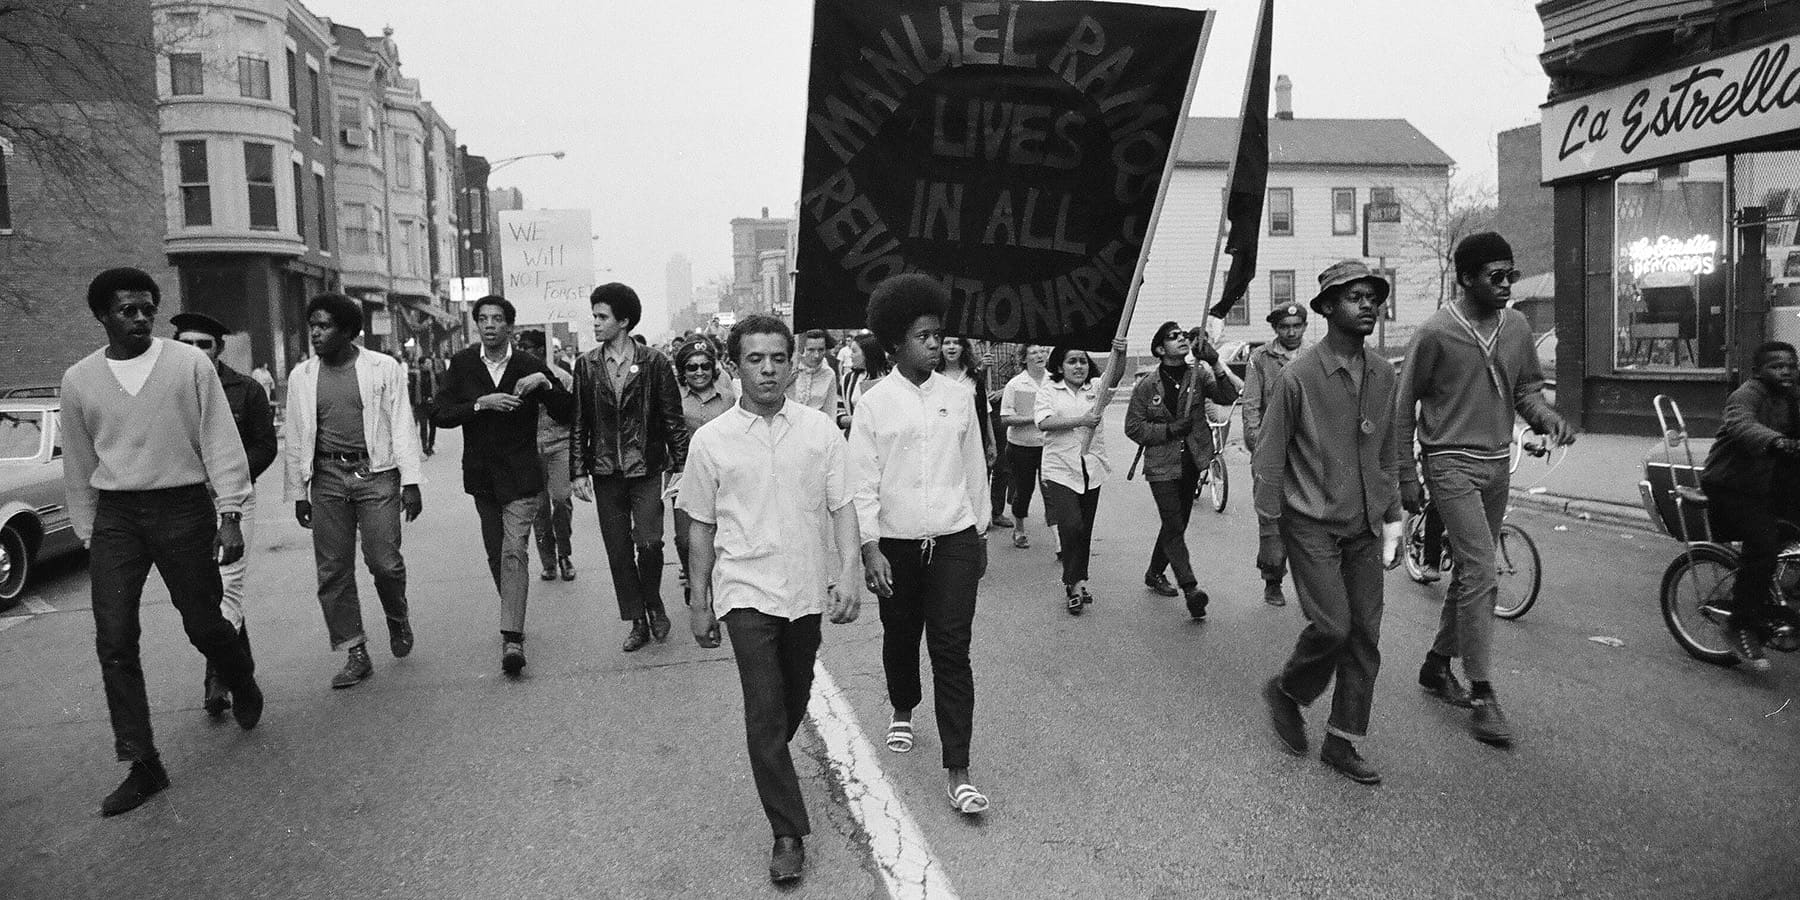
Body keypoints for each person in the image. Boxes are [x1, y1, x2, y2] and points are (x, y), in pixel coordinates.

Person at [60, 268, 264, 816]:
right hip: (117, 516)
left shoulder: (190, 365)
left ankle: (239, 676)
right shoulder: (78, 380)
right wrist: (88, 535)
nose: (142, 318)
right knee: (115, 637)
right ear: (101, 315)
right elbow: (79, 465)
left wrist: (231, 514)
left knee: (203, 622)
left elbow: (220, 442)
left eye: (148, 307)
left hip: (182, 505)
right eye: (127, 309)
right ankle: (142, 761)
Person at [680, 315, 861, 886]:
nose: (767, 369)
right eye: (755, 359)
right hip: (745, 592)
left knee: (792, 696)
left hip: (805, 589)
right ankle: (788, 831)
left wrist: (849, 573)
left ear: (791, 362)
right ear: (735, 367)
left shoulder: (820, 431)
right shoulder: (711, 442)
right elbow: (700, 526)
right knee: (764, 707)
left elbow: (843, 508)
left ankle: (770, 759)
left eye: (777, 358)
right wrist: (699, 599)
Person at [1397, 232, 1575, 747]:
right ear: (1467, 278)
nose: (1506, 285)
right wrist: (1406, 477)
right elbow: (1403, 406)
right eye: (1495, 276)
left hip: (1498, 462)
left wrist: (1546, 419)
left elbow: (1525, 392)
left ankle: (1435, 665)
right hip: (1449, 460)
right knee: (1480, 569)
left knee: (1470, 575)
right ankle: (1483, 692)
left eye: (1511, 275)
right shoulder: (1435, 333)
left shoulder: (1517, 326)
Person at [1256, 259, 1405, 786]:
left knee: (1365, 634)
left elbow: (1386, 451)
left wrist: (1393, 519)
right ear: (1325, 309)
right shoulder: (1298, 376)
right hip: (1311, 524)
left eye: (1373, 296)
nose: (1368, 304)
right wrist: (1269, 533)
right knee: (1334, 626)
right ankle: (1289, 690)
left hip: (1364, 525)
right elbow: (1269, 457)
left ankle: (1343, 741)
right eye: (1353, 296)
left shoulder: (1385, 374)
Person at [850, 273, 992, 815]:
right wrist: (870, 547)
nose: (936, 344)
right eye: (924, 336)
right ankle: (903, 708)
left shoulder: (959, 397)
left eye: (938, 335)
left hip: (954, 540)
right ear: (894, 342)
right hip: (897, 547)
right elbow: (862, 483)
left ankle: (959, 769)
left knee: (952, 649)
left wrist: (978, 533)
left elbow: (976, 470)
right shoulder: (873, 405)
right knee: (901, 634)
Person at [283, 292, 426, 689]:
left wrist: (410, 482)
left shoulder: (383, 367)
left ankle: (397, 617)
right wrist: (299, 490)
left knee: (385, 562)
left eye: (325, 326)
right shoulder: (302, 376)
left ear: (347, 331)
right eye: (313, 325)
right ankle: (355, 651)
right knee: (333, 570)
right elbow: (296, 435)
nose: (316, 333)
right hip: (327, 476)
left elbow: (401, 423)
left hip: (376, 472)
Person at [431, 297, 574, 675]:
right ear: (476, 325)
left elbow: (566, 411)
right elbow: (440, 413)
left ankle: (513, 637)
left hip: (523, 475)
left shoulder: (528, 365)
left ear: (510, 326)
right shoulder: (463, 364)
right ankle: (513, 605)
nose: (490, 325)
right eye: (483, 319)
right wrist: (481, 404)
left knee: (514, 551)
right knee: (496, 553)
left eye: (497, 319)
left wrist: (544, 383)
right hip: (482, 477)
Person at [571, 283, 689, 653]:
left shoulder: (654, 363)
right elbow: (579, 422)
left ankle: (653, 599)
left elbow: (672, 419)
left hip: (646, 468)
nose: (595, 323)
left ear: (623, 321)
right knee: (618, 550)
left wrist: (682, 466)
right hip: (606, 471)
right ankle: (637, 619)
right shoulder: (586, 365)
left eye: (602, 316)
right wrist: (577, 470)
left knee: (651, 544)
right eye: (594, 316)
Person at [169, 312, 277, 717]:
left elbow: (265, 445)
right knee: (203, 591)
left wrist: (230, 477)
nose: (195, 352)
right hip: (182, 502)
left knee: (229, 583)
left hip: (233, 499)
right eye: (187, 344)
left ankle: (220, 675)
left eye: (204, 345)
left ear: (219, 349)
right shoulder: (166, 388)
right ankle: (238, 667)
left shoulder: (245, 389)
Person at [1125, 321, 1239, 619]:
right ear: (1160, 349)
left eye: (1183, 336)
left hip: (1191, 463)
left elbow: (1227, 396)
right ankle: (1191, 589)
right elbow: (1133, 427)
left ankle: (1153, 573)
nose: (1182, 340)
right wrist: (1169, 429)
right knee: (1174, 525)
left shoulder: (1198, 374)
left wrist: (1214, 360)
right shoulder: (1147, 385)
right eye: (1173, 337)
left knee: (1176, 524)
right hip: (1161, 465)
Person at [1700, 341, 1800, 670]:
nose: (1785, 371)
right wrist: (1774, 440)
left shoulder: (1793, 396)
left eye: (1791, 365)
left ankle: (1786, 597)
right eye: (1776, 366)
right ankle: (1741, 624)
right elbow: (1741, 423)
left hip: (1773, 481)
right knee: (1764, 548)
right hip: (1734, 485)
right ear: (1759, 371)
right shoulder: (1747, 394)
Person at [1035, 339, 1130, 614]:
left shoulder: (1095, 389)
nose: (1078, 366)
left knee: (1084, 529)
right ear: (1060, 366)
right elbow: (1044, 422)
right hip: (1060, 468)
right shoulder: (1049, 389)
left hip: (1092, 467)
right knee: (1071, 525)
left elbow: (1114, 376)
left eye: (1083, 361)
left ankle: (1077, 582)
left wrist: (1120, 352)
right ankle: (1072, 581)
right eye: (1072, 361)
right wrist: (1080, 421)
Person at [1242, 303, 1310, 606]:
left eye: (1297, 326)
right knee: (1271, 519)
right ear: (1275, 329)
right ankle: (1272, 580)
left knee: (1311, 519)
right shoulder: (1261, 359)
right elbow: (1251, 405)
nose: (1291, 332)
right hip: (1272, 451)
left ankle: (1312, 587)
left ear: (1305, 327)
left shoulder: (1316, 356)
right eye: (1285, 327)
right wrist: (1259, 446)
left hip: (1309, 451)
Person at [671, 337, 736, 600]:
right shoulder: (674, 399)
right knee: (686, 537)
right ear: (683, 372)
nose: (699, 372)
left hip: (723, 475)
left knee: (721, 534)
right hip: (684, 475)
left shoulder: (729, 398)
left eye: (704, 366)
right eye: (692, 367)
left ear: (713, 369)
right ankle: (692, 577)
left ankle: (721, 586)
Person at [517, 330, 578, 582]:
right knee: (539, 509)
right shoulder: (516, 380)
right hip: (530, 451)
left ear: (542, 350)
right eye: (519, 346)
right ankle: (549, 561)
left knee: (562, 500)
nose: (523, 351)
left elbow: (573, 413)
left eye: (528, 347)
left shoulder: (562, 376)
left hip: (560, 446)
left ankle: (565, 554)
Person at [998, 346, 1052, 549]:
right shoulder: (1015, 384)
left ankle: (1058, 539)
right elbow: (1005, 418)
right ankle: (1019, 528)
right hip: (1021, 446)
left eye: (1042, 352)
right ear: (1024, 358)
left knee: (1051, 491)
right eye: (1034, 353)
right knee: (1024, 490)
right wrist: (1034, 418)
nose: (1039, 356)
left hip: (1048, 445)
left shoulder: (1054, 380)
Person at [937, 335, 997, 476]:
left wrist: (992, 442)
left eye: (956, 343)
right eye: (947, 343)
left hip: (972, 439)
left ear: (963, 348)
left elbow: (985, 411)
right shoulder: (933, 377)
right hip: (943, 443)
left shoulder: (974, 377)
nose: (951, 347)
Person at [787, 328, 843, 420]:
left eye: (821, 350)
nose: (816, 355)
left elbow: (831, 411)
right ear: (801, 349)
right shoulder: (789, 370)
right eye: (811, 350)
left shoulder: (828, 374)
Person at [839, 332, 888, 431]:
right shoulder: (848, 379)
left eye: (854, 351)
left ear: (868, 353)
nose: (850, 356)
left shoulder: (889, 378)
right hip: (855, 436)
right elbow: (838, 409)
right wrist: (851, 420)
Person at [409, 353, 439, 456]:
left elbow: (439, 389)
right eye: (427, 363)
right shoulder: (415, 376)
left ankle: (431, 445)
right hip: (420, 404)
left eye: (430, 363)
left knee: (433, 426)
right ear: (421, 365)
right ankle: (424, 447)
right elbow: (412, 390)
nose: (429, 365)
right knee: (423, 426)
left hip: (432, 403)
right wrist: (412, 404)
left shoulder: (434, 375)